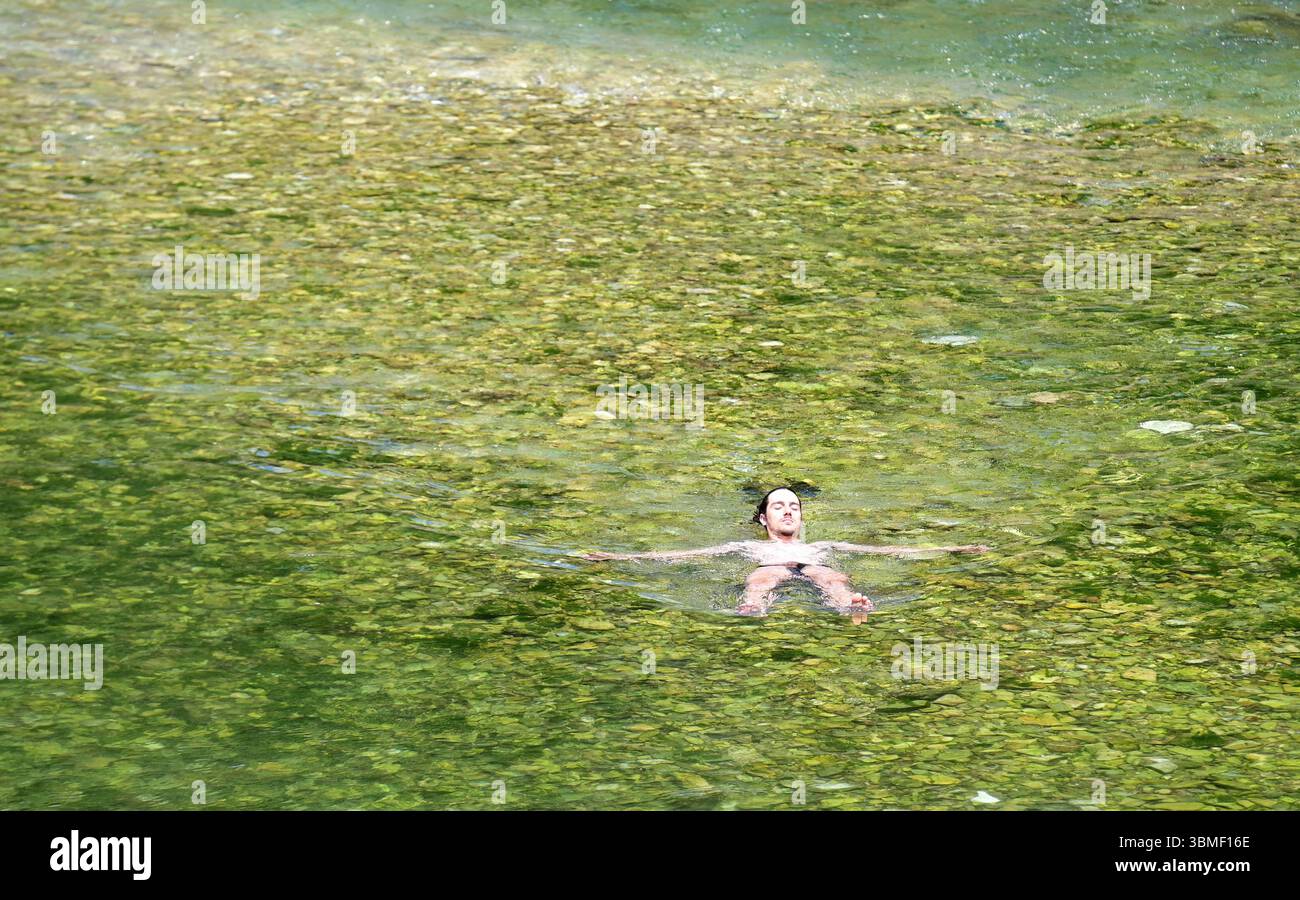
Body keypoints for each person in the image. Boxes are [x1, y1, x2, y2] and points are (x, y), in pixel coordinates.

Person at [581, 487, 990, 617]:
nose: (788, 510)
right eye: (778, 505)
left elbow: (890, 550)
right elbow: (683, 554)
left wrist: (955, 548)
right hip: (769, 568)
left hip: (816, 567)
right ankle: (753, 606)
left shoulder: (822, 546)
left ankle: (851, 605)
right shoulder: (748, 545)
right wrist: (614, 559)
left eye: (794, 505)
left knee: (831, 575)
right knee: (764, 576)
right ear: (763, 518)